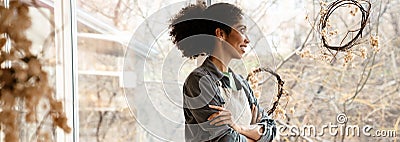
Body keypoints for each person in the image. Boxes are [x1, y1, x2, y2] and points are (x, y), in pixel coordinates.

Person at [169, 2, 276, 142]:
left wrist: (239, 128)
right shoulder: (200, 81)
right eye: (242, 30)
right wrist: (255, 134)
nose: (247, 40)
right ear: (221, 34)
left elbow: (271, 129)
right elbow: (226, 139)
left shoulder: (241, 83)